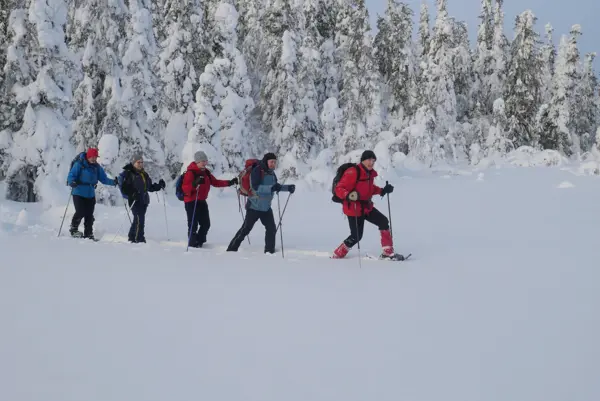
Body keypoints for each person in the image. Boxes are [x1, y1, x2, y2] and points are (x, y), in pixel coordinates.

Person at [331, 150, 402, 260]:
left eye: (373, 161)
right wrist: (348, 195)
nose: (371, 163)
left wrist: (382, 191)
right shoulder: (353, 172)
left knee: (383, 221)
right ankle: (338, 254)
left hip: (366, 208)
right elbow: (339, 188)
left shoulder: (369, 174)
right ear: (363, 160)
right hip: (353, 209)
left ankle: (388, 252)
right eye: (369, 160)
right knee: (356, 236)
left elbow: (369, 189)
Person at [227, 153, 295, 254]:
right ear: (266, 161)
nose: (273, 164)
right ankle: (231, 249)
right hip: (254, 206)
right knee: (245, 229)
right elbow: (255, 187)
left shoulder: (272, 173)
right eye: (271, 162)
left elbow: (276, 186)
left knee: (271, 228)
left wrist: (288, 188)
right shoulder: (257, 170)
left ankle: (269, 251)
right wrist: (271, 188)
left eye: (275, 162)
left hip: (266, 208)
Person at [181, 151, 238, 248]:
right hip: (191, 201)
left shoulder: (206, 172)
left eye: (205, 161)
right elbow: (185, 188)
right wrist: (195, 183)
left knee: (206, 224)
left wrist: (229, 183)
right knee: (193, 225)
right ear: (197, 162)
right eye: (202, 161)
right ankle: (192, 245)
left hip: (202, 201)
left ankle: (199, 241)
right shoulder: (191, 172)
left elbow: (215, 182)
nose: (204, 163)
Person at [67, 147, 118, 239]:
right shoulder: (79, 164)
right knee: (80, 211)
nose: (94, 159)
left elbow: (104, 179)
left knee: (89, 214)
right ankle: (73, 229)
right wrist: (72, 182)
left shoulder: (96, 167)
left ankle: (88, 234)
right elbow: (71, 175)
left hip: (90, 194)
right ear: (88, 156)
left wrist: (114, 182)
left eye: (95, 157)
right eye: (92, 157)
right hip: (78, 192)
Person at [118, 153, 166, 243]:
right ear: (133, 163)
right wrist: (133, 193)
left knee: (137, 219)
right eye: (138, 162)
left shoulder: (144, 174)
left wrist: (159, 186)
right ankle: (139, 239)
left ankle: (132, 236)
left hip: (144, 200)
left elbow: (149, 187)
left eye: (141, 162)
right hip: (134, 200)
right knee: (140, 219)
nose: (140, 164)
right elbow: (125, 188)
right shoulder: (129, 173)